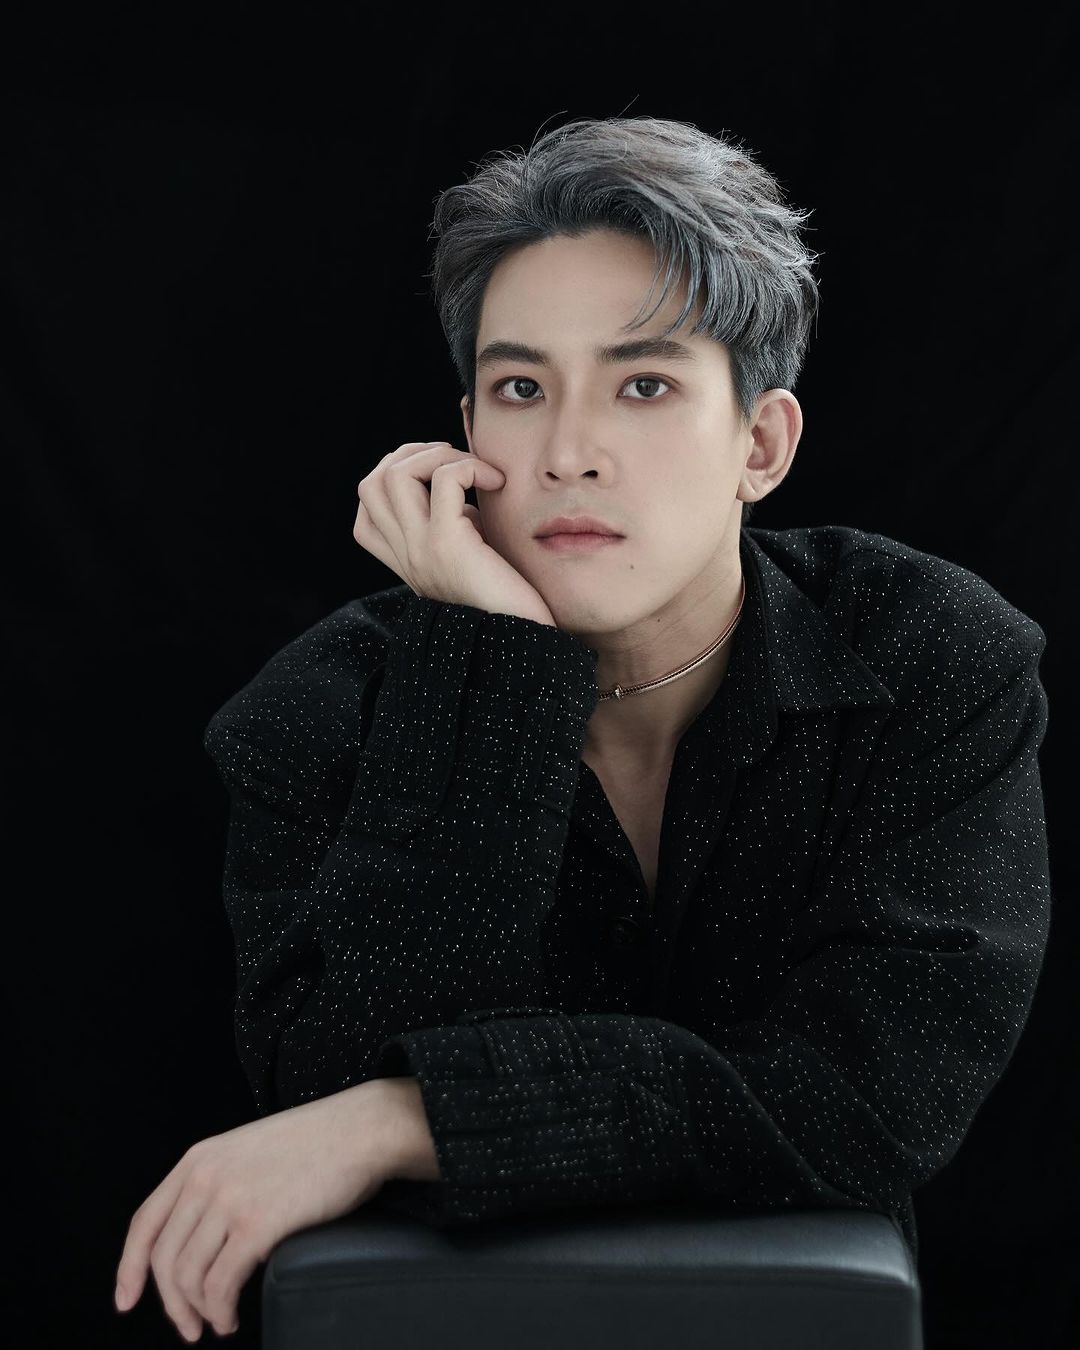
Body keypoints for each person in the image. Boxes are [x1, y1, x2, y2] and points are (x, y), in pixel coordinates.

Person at [198, 115, 1050, 1306]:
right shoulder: (314, 713)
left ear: (761, 442)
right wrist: (493, 664)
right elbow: (329, 1089)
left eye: (643, 384)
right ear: (466, 435)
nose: (568, 452)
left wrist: (414, 1116)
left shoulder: (932, 659)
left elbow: (868, 1101)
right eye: (520, 387)